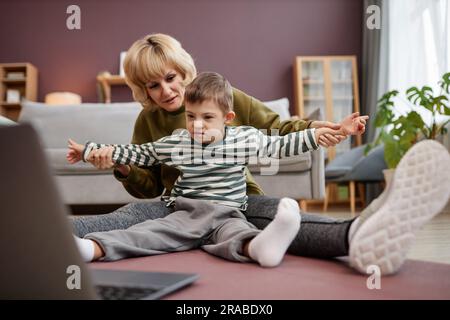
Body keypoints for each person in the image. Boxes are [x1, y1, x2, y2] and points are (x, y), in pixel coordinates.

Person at [70, 33, 374, 271]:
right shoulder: (158, 126)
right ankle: (53, 234)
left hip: (235, 199)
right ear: (143, 89)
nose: (165, 91)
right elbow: (142, 166)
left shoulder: (223, 99)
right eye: (153, 85)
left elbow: (277, 132)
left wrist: (318, 131)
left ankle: (355, 234)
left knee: (273, 216)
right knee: (133, 218)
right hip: (179, 204)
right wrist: (116, 165)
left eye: (170, 78)